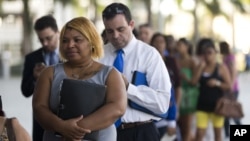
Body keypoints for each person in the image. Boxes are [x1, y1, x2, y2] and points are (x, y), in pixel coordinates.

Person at [32, 17, 127, 141]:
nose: (70, 45)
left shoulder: (110, 74)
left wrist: (73, 129)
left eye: (77, 40)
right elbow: (39, 108)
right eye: (65, 40)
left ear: (92, 42)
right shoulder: (49, 73)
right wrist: (62, 127)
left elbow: (117, 108)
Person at [100, 3, 172, 141]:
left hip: (141, 132)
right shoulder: (99, 55)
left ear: (131, 25)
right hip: (105, 133)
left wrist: (128, 88)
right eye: (109, 31)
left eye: (120, 29)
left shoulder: (150, 55)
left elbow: (163, 104)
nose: (115, 36)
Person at [21, 15, 61, 141]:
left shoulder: (71, 54)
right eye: (41, 39)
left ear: (58, 33)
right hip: (41, 121)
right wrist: (35, 78)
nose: (45, 43)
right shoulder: (32, 58)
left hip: (65, 116)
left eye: (48, 38)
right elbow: (25, 91)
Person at [193, 38, 231, 141]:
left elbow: (229, 85)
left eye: (210, 53)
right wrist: (200, 67)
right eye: (205, 53)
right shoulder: (201, 67)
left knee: (217, 133)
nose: (207, 55)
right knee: (199, 133)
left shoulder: (221, 68)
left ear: (215, 54)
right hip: (202, 105)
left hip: (217, 106)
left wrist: (217, 83)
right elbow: (194, 82)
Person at [150, 32, 181, 139]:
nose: (159, 44)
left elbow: (173, 89)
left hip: (166, 116)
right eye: (156, 42)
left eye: (161, 42)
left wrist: (172, 119)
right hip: (150, 117)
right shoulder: (147, 62)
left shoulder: (170, 62)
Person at [176, 38, 199, 141]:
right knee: (181, 127)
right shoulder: (175, 60)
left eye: (180, 45)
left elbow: (195, 81)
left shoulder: (192, 61)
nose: (178, 47)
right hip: (179, 96)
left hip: (190, 97)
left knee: (187, 127)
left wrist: (186, 78)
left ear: (187, 47)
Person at [219, 41, 241, 138]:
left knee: (233, 112)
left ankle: (240, 133)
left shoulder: (229, 58)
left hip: (231, 88)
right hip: (227, 88)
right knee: (225, 112)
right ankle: (227, 135)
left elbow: (233, 71)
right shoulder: (225, 58)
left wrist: (231, 86)